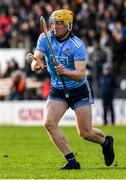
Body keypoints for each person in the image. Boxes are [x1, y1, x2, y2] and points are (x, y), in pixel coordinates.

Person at [31, 9, 115, 170]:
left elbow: (80, 74)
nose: (56, 26)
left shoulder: (77, 45)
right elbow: (36, 59)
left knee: (85, 133)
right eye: (54, 22)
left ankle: (106, 142)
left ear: (69, 25)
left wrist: (66, 72)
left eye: (60, 22)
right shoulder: (45, 38)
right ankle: (72, 161)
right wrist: (36, 65)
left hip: (78, 90)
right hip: (58, 89)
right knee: (49, 122)